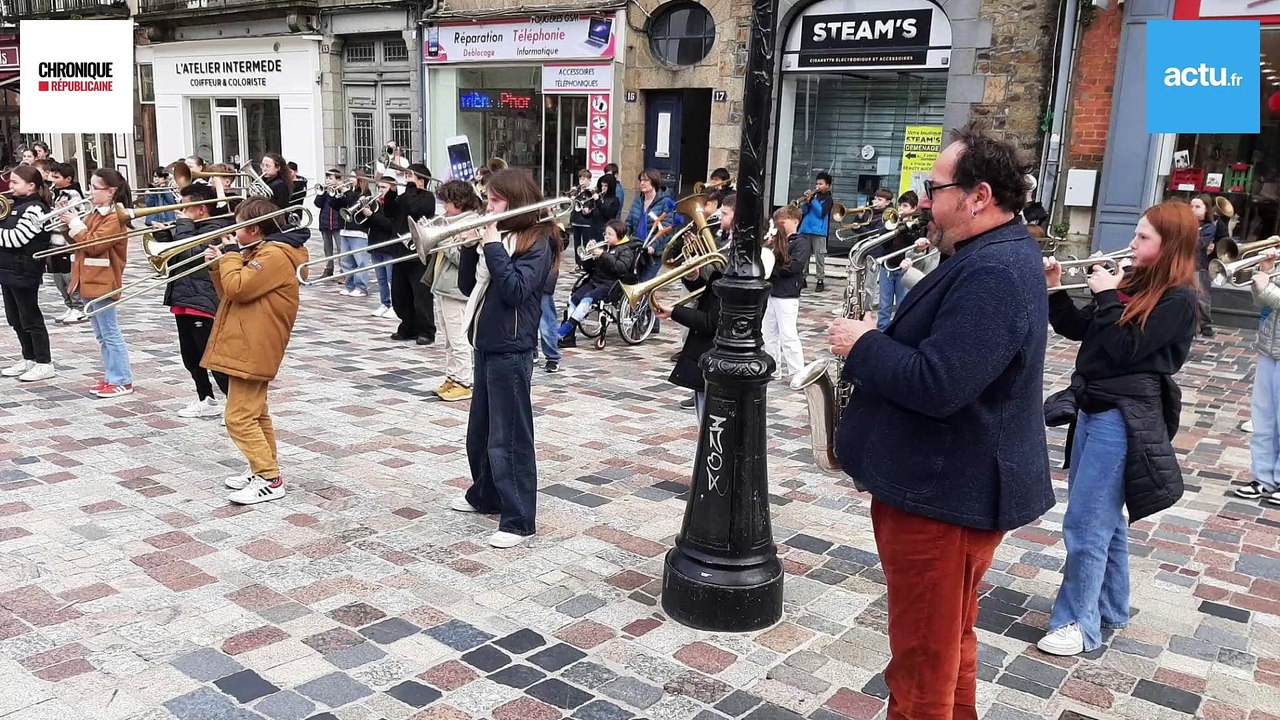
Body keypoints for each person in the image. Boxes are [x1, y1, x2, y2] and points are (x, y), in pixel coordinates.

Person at [826, 126, 1052, 719]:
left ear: (978, 195)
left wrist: (863, 344)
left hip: (942, 497)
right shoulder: (991, 255)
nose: (924, 200)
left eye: (934, 187)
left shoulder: (996, 270)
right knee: (950, 641)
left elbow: (939, 383)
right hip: (944, 488)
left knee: (922, 660)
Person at [1039, 202, 1198, 656]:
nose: (1132, 242)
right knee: (1106, 517)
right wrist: (1056, 292)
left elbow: (1127, 349)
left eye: (1144, 237)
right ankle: (1111, 607)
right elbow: (1084, 332)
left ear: (1169, 246)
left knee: (1087, 522)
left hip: (1126, 415)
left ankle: (1077, 624)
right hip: (1094, 406)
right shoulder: (1132, 283)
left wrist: (1108, 295)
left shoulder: (1179, 300)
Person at [451, 168, 559, 548]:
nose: (487, 206)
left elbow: (514, 290)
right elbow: (469, 287)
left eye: (495, 200)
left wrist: (492, 245)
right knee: (479, 432)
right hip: (485, 343)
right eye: (487, 198)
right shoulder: (499, 239)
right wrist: (470, 249)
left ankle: (518, 520)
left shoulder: (538, 241)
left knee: (509, 437)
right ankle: (486, 495)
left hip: (512, 348)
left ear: (514, 202)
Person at [203, 198, 310, 505]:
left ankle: (269, 478)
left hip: (255, 344)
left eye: (238, 226)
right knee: (256, 414)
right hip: (246, 340)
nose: (233, 233)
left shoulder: (274, 255)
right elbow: (230, 295)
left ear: (253, 228)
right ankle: (260, 468)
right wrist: (218, 264)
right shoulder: (258, 251)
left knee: (238, 418)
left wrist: (230, 258)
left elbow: (239, 288)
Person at [165, 183, 233, 419]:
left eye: (185, 208)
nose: (181, 213)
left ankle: (233, 406)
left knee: (212, 357)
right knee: (191, 358)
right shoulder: (191, 226)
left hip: (204, 302)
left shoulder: (216, 228)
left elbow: (192, 256)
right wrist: (163, 234)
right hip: (183, 298)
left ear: (201, 208)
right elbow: (175, 257)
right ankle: (206, 398)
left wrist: (182, 227)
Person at [68, 169, 136, 398]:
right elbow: (78, 241)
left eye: (95, 187)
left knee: (110, 332)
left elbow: (95, 245)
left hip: (104, 280)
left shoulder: (116, 217)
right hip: (89, 279)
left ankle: (122, 380)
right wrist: (67, 221)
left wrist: (76, 224)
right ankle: (111, 375)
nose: (90, 191)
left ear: (110, 192)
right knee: (102, 334)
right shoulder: (96, 213)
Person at [427, 180, 481, 401]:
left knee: (458, 339)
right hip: (442, 287)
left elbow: (466, 260)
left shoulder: (472, 223)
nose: (444, 208)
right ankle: (452, 376)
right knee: (448, 339)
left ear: (459, 203)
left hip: (456, 290)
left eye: (447, 203)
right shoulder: (450, 221)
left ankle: (464, 382)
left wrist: (443, 241)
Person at [0, 166, 54, 382]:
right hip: (8, 270)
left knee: (30, 318)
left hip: (24, 271)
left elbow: (17, 238)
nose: (10, 186)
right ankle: (28, 357)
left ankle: (44, 362)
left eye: (15, 183)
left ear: (31, 186)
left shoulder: (35, 209)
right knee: (15, 318)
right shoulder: (15, 206)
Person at [1239, 247, 1280, 506]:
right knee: (1263, 417)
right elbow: (1263, 303)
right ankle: (1262, 477)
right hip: (1269, 347)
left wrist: (1266, 287)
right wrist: (1264, 274)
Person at [557, 219, 637, 341]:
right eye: (605, 234)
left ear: (619, 235)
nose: (606, 236)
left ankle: (567, 327)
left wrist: (602, 255)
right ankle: (569, 337)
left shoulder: (626, 250)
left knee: (587, 299)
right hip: (595, 281)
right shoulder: (604, 247)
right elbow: (589, 268)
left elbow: (620, 269)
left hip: (611, 285)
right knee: (575, 298)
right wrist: (589, 257)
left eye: (610, 234)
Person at [391, 164, 437, 344]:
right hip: (400, 250)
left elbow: (416, 209)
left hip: (419, 253)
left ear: (421, 180)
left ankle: (426, 330)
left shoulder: (428, 198)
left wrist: (410, 189)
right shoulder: (404, 196)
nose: (406, 178)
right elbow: (390, 213)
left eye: (410, 176)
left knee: (421, 295)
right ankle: (408, 327)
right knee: (400, 294)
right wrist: (390, 195)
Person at [762, 205, 810, 379]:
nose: (779, 225)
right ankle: (773, 369)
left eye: (782, 222)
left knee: (788, 335)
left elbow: (794, 266)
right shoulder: (774, 240)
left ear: (795, 222)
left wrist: (772, 267)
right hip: (771, 291)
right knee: (768, 334)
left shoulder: (801, 242)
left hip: (787, 293)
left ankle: (797, 371)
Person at [871, 190, 920, 330]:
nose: (901, 209)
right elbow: (884, 243)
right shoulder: (892, 222)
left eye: (905, 206)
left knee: (902, 303)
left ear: (913, 208)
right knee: (884, 305)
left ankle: (899, 331)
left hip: (904, 269)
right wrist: (890, 227)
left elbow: (914, 243)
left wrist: (906, 226)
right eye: (900, 206)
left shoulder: (916, 225)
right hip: (887, 267)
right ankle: (882, 330)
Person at [47, 162, 85, 323]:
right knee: (58, 279)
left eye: (57, 177)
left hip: (67, 243)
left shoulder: (72, 195)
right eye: (52, 176)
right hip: (54, 242)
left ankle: (78, 307)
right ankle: (69, 305)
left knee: (69, 277)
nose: (53, 180)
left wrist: (60, 213)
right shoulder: (54, 193)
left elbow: (78, 215)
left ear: (68, 179)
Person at [364, 176, 399, 318]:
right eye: (379, 187)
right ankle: (385, 303)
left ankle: (396, 306)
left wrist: (372, 215)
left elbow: (390, 225)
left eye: (384, 187)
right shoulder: (375, 204)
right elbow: (367, 224)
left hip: (389, 247)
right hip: (375, 245)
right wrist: (364, 214)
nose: (380, 190)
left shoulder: (395, 204)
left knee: (392, 279)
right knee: (381, 279)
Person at [1190, 194, 1224, 338]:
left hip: (1200, 264)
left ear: (1206, 209)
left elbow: (1199, 244)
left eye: (1197, 207)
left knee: (1202, 296)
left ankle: (1206, 324)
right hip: (1185, 264)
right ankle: (1191, 324)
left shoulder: (1209, 227)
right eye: (1191, 206)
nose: (1192, 209)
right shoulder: (1187, 224)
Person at [797, 172, 835, 292]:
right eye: (817, 183)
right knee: (804, 256)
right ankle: (803, 278)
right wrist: (805, 202)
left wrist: (812, 200)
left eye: (821, 184)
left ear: (827, 186)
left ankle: (820, 280)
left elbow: (821, 213)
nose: (817, 186)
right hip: (805, 230)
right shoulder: (814, 198)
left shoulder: (828, 199)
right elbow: (803, 211)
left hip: (819, 232)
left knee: (819, 257)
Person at [338, 169, 372, 298]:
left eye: (353, 177)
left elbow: (355, 203)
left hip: (358, 231)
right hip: (345, 230)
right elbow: (336, 206)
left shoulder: (365, 193)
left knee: (360, 261)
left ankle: (361, 287)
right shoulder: (349, 193)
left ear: (360, 179)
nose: (350, 179)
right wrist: (334, 194)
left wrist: (346, 192)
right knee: (346, 261)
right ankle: (350, 285)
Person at [312, 169, 347, 280]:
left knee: (341, 248)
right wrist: (322, 193)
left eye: (330, 178)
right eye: (327, 178)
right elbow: (317, 204)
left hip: (337, 223)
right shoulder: (324, 191)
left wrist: (337, 191)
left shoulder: (340, 191)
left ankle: (343, 271)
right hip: (325, 222)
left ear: (338, 179)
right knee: (327, 248)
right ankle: (329, 268)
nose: (327, 180)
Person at [569, 169, 596, 267]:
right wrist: (572, 196)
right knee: (576, 243)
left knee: (585, 243)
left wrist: (589, 210)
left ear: (589, 180)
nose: (581, 181)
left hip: (586, 221)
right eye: (580, 178)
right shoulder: (576, 191)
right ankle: (578, 263)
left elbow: (594, 205)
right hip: (576, 220)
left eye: (584, 179)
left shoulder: (592, 192)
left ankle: (586, 263)